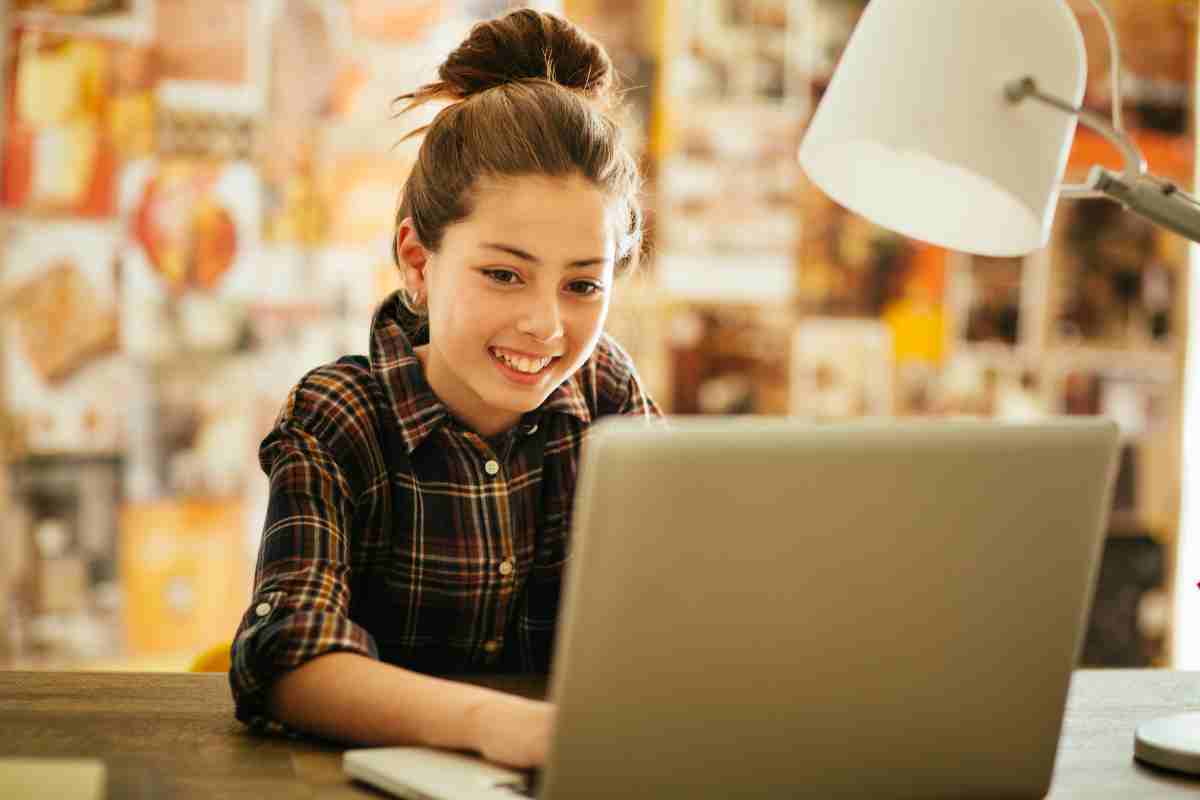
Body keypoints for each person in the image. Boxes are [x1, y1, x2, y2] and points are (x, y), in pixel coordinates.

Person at [228, 8, 661, 770]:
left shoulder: (607, 392)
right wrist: (499, 726)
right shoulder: (337, 419)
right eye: (504, 273)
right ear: (419, 264)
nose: (545, 325)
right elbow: (285, 660)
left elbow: (692, 597)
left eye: (582, 284)